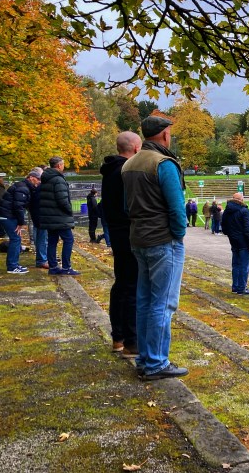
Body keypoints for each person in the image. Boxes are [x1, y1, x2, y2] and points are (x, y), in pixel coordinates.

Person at [122, 116, 188, 380]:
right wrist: (178, 235)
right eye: (169, 132)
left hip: (138, 239)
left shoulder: (129, 164)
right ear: (163, 135)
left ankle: (145, 358)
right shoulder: (164, 164)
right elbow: (176, 208)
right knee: (164, 303)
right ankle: (156, 363)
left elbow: (127, 207)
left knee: (145, 300)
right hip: (163, 241)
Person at [101, 131, 142, 356]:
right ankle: (130, 340)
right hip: (127, 234)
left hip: (118, 233)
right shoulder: (124, 172)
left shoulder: (111, 170)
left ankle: (118, 337)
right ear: (136, 149)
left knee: (122, 285)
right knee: (131, 287)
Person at [0, 169, 42, 274]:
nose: (39, 181)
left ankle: (14, 264)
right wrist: (21, 223)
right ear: (31, 178)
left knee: (16, 238)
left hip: (6, 214)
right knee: (15, 238)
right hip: (7, 215)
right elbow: (18, 206)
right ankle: (12, 266)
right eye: (38, 179)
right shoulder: (23, 188)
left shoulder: (23, 186)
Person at [40, 157, 79, 275]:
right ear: (59, 166)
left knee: (52, 241)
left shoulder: (46, 178)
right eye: (63, 164)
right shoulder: (58, 179)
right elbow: (62, 200)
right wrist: (69, 211)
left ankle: (53, 267)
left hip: (50, 216)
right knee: (68, 240)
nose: (64, 167)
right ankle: (66, 267)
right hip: (60, 216)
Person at [221, 192, 249, 295]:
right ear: (241, 199)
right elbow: (248, 229)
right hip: (243, 241)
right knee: (244, 265)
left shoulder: (227, 210)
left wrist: (230, 235)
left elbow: (224, 226)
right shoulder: (244, 211)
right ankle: (241, 287)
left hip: (233, 240)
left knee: (236, 264)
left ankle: (235, 286)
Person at [26, 167, 48, 269]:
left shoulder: (35, 188)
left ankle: (43, 258)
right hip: (41, 218)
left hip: (39, 217)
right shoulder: (39, 189)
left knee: (41, 238)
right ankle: (42, 260)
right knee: (42, 239)